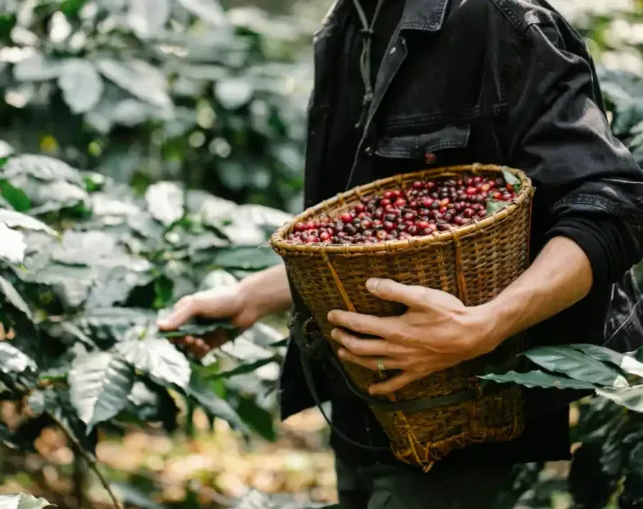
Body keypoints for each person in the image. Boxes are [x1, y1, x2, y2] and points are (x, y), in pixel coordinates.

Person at [158, 0, 643, 507]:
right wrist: (249, 297)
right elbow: (371, 241)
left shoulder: (498, 20)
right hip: (364, 406)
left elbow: (610, 208)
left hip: (461, 417)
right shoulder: (347, 25)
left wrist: (486, 324)